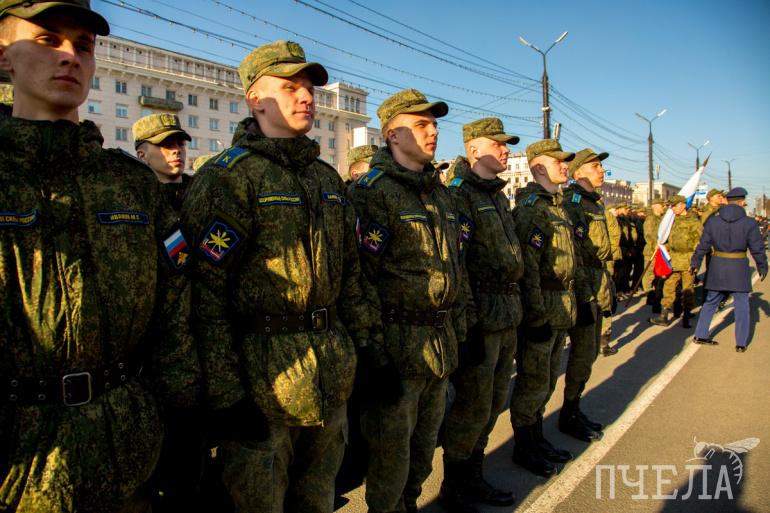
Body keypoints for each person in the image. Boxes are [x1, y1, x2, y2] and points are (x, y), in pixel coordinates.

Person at [0, 2, 201, 511]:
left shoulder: (130, 184)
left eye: (84, 46)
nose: (70, 56)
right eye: (48, 40)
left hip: (128, 446)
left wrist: (180, 412)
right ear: (4, 56)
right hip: (18, 464)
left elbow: (174, 304)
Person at [180, 40, 382, 513]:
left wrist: (368, 348)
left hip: (329, 371)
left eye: (309, 87)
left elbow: (351, 274)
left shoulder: (325, 179)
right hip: (263, 381)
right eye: (290, 87)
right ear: (255, 98)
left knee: (319, 496)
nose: (307, 96)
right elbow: (203, 294)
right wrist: (227, 395)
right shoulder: (228, 178)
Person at [347, 89, 470, 513]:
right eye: (420, 125)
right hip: (397, 349)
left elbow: (456, 267)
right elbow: (359, 278)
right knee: (390, 460)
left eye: (434, 124)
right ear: (392, 135)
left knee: (422, 454)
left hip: (439, 344)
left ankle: (410, 504)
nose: (432, 131)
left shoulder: (440, 195)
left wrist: (461, 329)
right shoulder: (372, 193)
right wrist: (372, 352)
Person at [440, 117, 522, 512]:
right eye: (498, 144)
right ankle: (455, 485)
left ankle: (473, 475)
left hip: (506, 314)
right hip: (481, 319)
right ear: (474, 149)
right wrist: (469, 325)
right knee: (471, 408)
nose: (506, 151)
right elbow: (460, 266)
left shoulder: (497, 196)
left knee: (491, 405)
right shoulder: (461, 195)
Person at [510, 139, 588, 477]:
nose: (565, 166)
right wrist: (536, 315)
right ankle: (524, 445)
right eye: (559, 162)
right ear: (538, 167)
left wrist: (582, 299)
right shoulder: (532, 209)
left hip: (561, 306)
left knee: (547, 380)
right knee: (532, 381)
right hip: (543, 305)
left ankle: (537, 437)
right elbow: (528, 268)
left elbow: (574, 259)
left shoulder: (557, 207)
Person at [560, 148, 614, 444]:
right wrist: (584, 297)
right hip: (585, 287)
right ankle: (568, 415)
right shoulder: (574, 203)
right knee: (581, 354)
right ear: (578, 172)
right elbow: (576, 255)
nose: (601, 171)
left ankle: (574, 407)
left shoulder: (595, 203)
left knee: (590, 353)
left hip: (598, 282)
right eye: (595, 166)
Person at [690, 187, 768, 352]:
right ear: (741, 202)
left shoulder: (713, 221)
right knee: (742, 304)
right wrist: (762, 265)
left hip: (718, 265)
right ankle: (741, 343)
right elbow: (757, 248)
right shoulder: (749, 223)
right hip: (738, 266)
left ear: (727, 201)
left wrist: (695, 263)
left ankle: (700, 334)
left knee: (711, 301)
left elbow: (703, 245)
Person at [649, 195, 703, 327]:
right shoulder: (670, 221)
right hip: (673, 259)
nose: (672, 208)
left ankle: (686, 316)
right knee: (668, 287)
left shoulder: (694, 222)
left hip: (688, 259)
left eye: (674, 206)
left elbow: (699, 242)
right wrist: (662, 247)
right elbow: (666, 239)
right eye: (671, 206)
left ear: (683, 205)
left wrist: (695, 261)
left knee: (687, 289)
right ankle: (664, 315)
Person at [133, 112, 193, 211]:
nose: (177, 150)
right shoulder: (132, 196)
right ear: (142, 156)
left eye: (181, 144)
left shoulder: (204, 189)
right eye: (166, 145)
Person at [642, 198, 668, 311]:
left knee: (658, 275)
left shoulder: (662, 218)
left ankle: (656, 294)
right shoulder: (651, 219)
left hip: (659, 250)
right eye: (662, 205)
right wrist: (655, 248)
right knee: (649, 274)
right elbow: (649, 236)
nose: (664, 207)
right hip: (652, 251)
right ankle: (649, 294)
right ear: (655, 206)